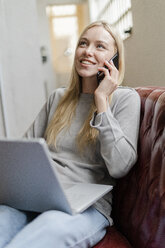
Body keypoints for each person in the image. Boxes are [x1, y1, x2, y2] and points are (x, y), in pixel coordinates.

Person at [0, 20, 141, 248]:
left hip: (86, 208)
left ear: (114, 59)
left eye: (100, 46)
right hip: (38, 197)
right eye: (83, 43)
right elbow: (23, 151)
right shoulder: (57, 98)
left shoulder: (126, 99)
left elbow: (120, 166)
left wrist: (102, 100)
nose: (87, 51)